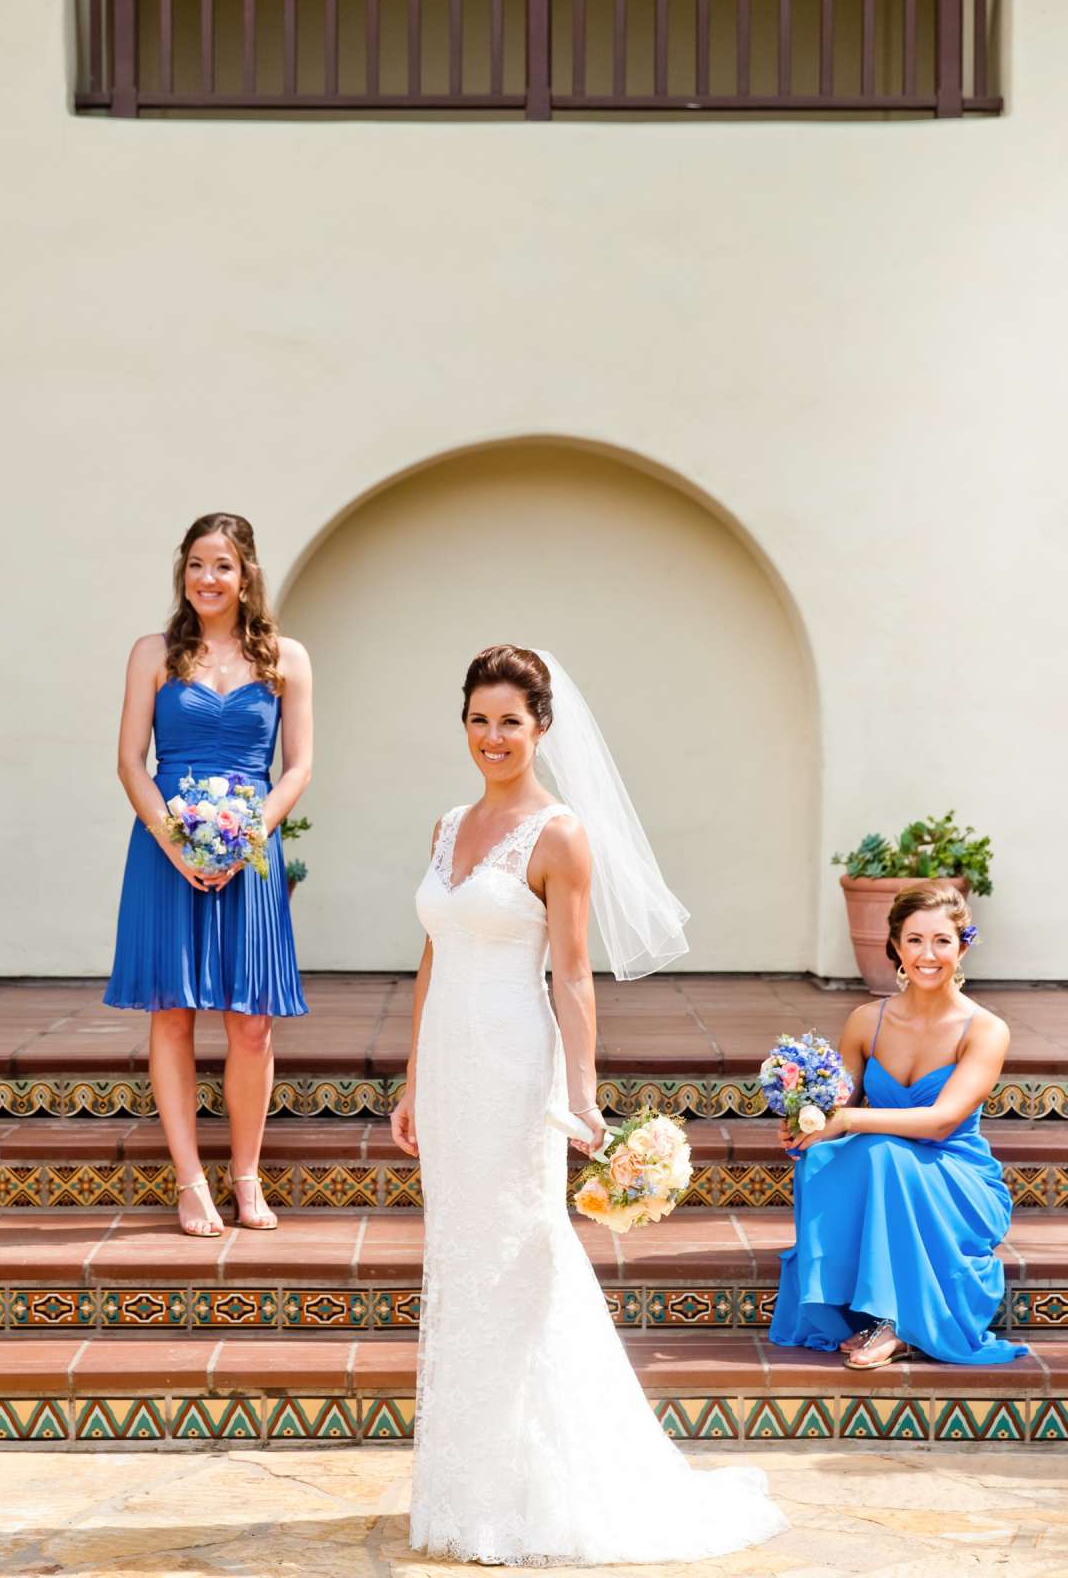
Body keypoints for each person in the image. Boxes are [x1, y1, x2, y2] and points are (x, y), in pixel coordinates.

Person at [389, 645, 784, 1566]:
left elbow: (572, 975)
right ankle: (468, 1487)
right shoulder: (448, 827)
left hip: (514, 1065)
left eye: (511, 722)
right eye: (480, 719)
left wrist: (580, 1089)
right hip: (449, 1064)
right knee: (461, 1261)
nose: (494, 738)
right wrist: (412, 1076)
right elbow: (432, 955)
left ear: (541, 729)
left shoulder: (560, 834)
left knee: (520, 1262)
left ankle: (539, 1491)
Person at [106, 514, 311, 1237]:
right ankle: (191, 1181)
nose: (206, 579)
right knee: (174, 1013)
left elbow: (298, 768)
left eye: (221, 565)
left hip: (249, 855)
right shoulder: (153, 654)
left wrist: (248, 834)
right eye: (195, 564)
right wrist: (177, 844)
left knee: (251, 1024)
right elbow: (132, 761)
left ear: (246, 573)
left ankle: (247, 1176)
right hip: (169, 851)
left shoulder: (287, 658)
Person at [770, 883, 1028, 1368]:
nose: (927, 955)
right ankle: (859, 1310)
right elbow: (837, 1109)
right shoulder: (866, 1022)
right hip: (886, 1169)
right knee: (825, 1157)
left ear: (963, 946)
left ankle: (900, 1323)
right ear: (894, 947)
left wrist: (846, 1118)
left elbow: (940, 1122)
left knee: (881, 1153)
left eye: (942, 941)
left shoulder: (986, 1029)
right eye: (914, 940)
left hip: (957, 1176)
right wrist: (808, 1126)